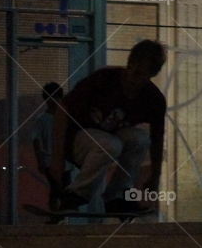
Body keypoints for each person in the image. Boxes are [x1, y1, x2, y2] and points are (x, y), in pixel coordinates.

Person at [49, 40, 167, 214]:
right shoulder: (103, 80)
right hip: (79, 142)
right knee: (111, 144)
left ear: (151, 75)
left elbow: (156, 140)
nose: (134, 79)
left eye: (142, 75)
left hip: (108, 143)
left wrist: (154, 177)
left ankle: (117, 196)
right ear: (129, 64)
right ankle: (76, 194)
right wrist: (57, 160)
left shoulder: (153, 99)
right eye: (133, 71)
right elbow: (62, 111)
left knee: (140, 139)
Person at [31, 82, 65, 208]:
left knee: (63, 186)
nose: (54, 102)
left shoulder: (66, 118)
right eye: (51, 98)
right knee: (56, 186)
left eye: (56, 98)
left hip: (64, 161)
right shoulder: (41, 119)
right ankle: (57, 213)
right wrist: (40, 160)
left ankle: (60, 212)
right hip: (49, 160)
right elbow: (36, 141)